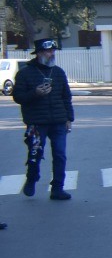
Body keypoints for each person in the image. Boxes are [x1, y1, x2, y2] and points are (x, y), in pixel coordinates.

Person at [11, 36, 73, 200]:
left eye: (53, 50)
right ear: (38, 53)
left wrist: (69, 118)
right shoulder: (25, 73)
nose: (51, 53)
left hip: (59, 121)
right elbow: (18, 96)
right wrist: (35, 93)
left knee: (60, 155)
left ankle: (57, 188)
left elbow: (66, 97)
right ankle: (32, 179)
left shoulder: (58, 72)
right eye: (48, 50)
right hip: (37, 123)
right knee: (35, 153)